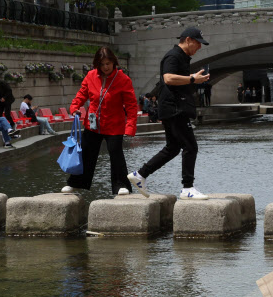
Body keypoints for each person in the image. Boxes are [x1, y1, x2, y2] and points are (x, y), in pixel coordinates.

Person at [128, 27, 210, 200]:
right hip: (174, 109)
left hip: (172, 108)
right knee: (190, 146)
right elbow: (168, 78)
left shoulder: (183, 57)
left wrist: (192, 79)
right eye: (198, 43)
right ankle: (187, 188)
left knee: (173, 148)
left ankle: (140, 174)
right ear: (188, 40)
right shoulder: (173, 55)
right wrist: (193, 78)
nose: (199, 47)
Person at [62, 47, 138, 196]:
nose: (106, 67)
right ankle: (76, 183)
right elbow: (81, 95)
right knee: (86, 153)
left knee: (116, 154)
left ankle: (121, 185)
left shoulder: (123, 79)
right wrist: (74, 107)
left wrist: (130, 127)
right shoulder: (90, 76)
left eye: (108, 63)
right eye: (102, 64)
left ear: (114, 62)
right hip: (93, 124)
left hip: (114, 125)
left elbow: (131, 105)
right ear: (97, 64)